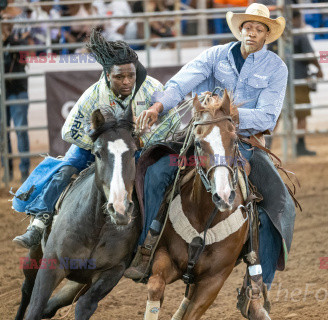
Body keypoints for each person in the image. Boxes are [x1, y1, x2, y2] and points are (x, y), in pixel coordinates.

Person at [125, 3, 296, 290]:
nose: (251, 33)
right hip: (202, 139)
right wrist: (157, 106)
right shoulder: (215, 56)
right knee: (154, 172)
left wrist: (227, 114)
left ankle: (259, 286)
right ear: (240, 30)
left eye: (258, 29)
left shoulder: (276, 68)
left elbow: (267, 116)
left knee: (282, 205)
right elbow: (180, 84)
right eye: (247, 27)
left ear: (267, 35)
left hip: (244, 143)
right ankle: (146, 246)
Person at [11, 30, 174, 249]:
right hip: (98, 146)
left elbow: (172, 123)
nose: (127, 82)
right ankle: (39, 222)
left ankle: (154, 233)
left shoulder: (152, 88)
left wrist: (145, 141)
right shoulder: (94, 94)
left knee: (159, 178)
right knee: (66, 170)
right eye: (119, 77)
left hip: (140, 147)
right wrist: (100, 148)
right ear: (108, 75)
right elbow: (68, 131)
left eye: (131, 76)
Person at [0, 8, 31, 181]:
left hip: (16, 91)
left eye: (7, 22)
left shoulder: (17, 41)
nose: (4, 25)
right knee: (3, 133)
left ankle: (24, 171)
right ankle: (7, 170)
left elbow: (24, 53)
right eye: (2, 22)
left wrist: (6, 39)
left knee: (20, 131)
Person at [292, 9, 323, 156]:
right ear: (296, 18)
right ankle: (300, 146)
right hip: (298, 79)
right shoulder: (300, 34)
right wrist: (319, 68)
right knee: (301, 115)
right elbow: (310, 55)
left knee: (276, 117)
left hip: (281, 81)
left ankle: (268, 145)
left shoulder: (277, 35)